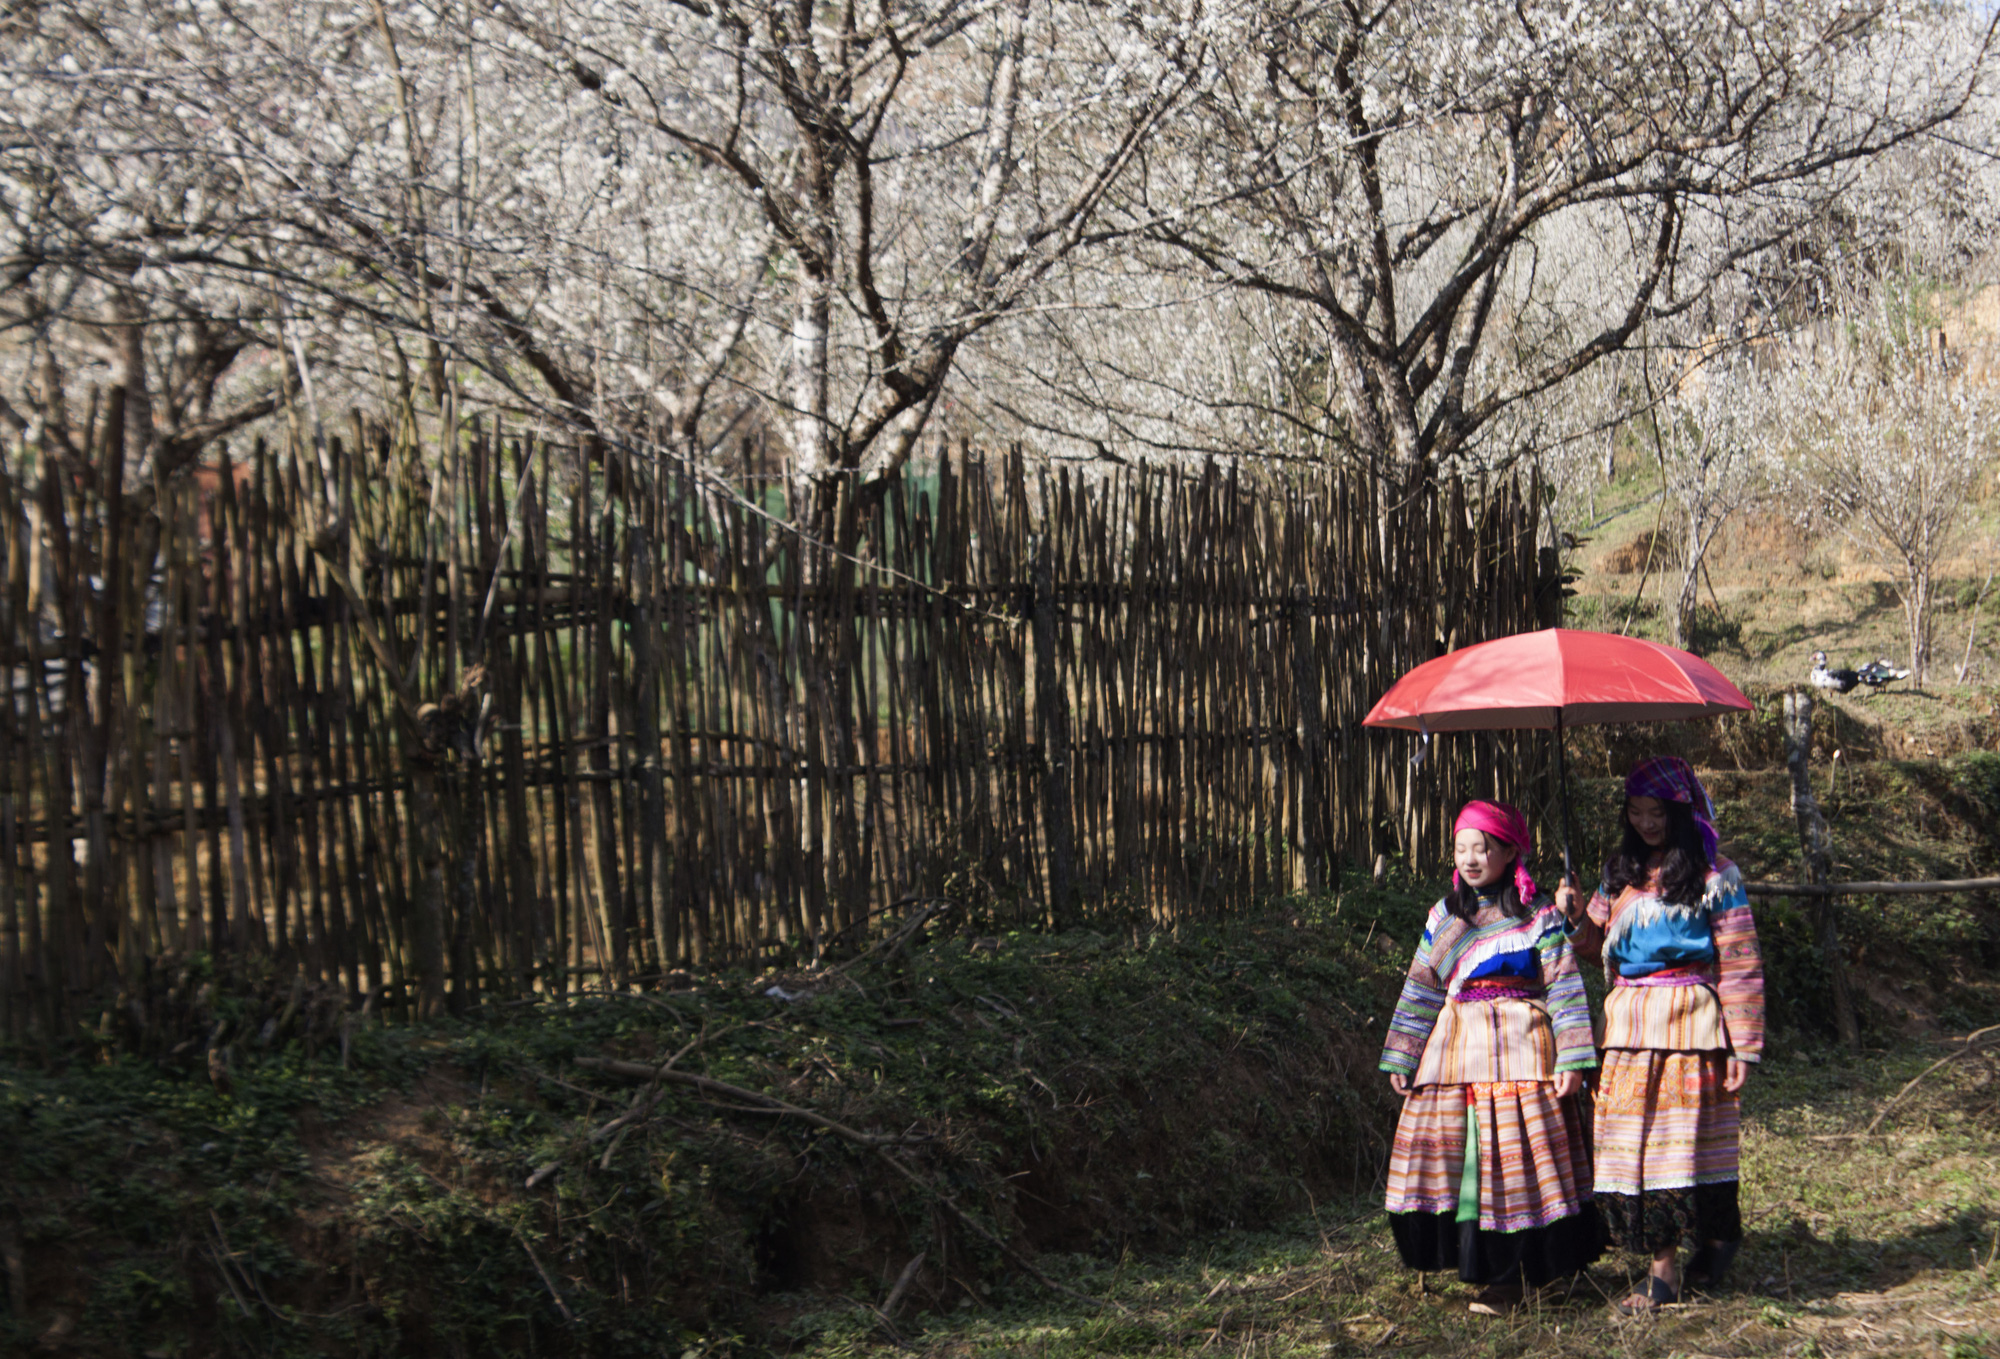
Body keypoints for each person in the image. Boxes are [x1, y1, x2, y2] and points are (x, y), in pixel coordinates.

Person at [1556, 756, 1764, 1315]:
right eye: (1636, 811)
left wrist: (1743, 1042)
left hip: (1690, 1025)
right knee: (1629, 1146)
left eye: (1658, 813)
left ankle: (1671, 1268)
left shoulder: (1715, 875)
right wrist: (1573, 916)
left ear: (1680, 811)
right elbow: (1588, 942)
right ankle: (1675, 1254)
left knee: (1680, 1147)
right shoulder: (1616, 873)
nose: (1647, 823)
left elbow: (1740, 960)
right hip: (1626, 1025)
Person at [1379, 800, 1602, 1316]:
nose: (1471, 858)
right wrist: (1402, 1055)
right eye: (1461, 848)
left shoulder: (1539, 912)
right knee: (1464, 1157)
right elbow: (1422, 985)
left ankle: (1515, 1275)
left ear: (1510, 851)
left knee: (1519, 1160)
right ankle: (1476, 1263)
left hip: (1521, 1045)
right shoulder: (1446, 915)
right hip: (1455, 1048)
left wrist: (1572, 1058)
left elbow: (1565, 984)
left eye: (1483, 847)